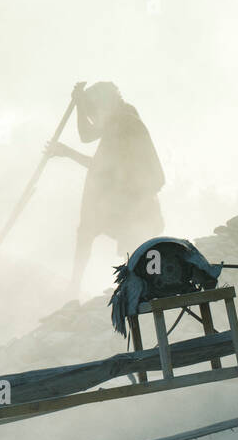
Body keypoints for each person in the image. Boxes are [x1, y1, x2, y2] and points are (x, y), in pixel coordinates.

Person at [46, 81, 164, 287]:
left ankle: (78, 287)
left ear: (105, 105)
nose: (95, 117)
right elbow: (87, 135)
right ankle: (75, 288)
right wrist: (80, 105)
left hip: (136, 203)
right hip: (126, 198)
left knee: (126, 245)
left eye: (96, 110)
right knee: (87, 230)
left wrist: (66, 152)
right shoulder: (117, 120)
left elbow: (102, 167)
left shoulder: (125, 124)